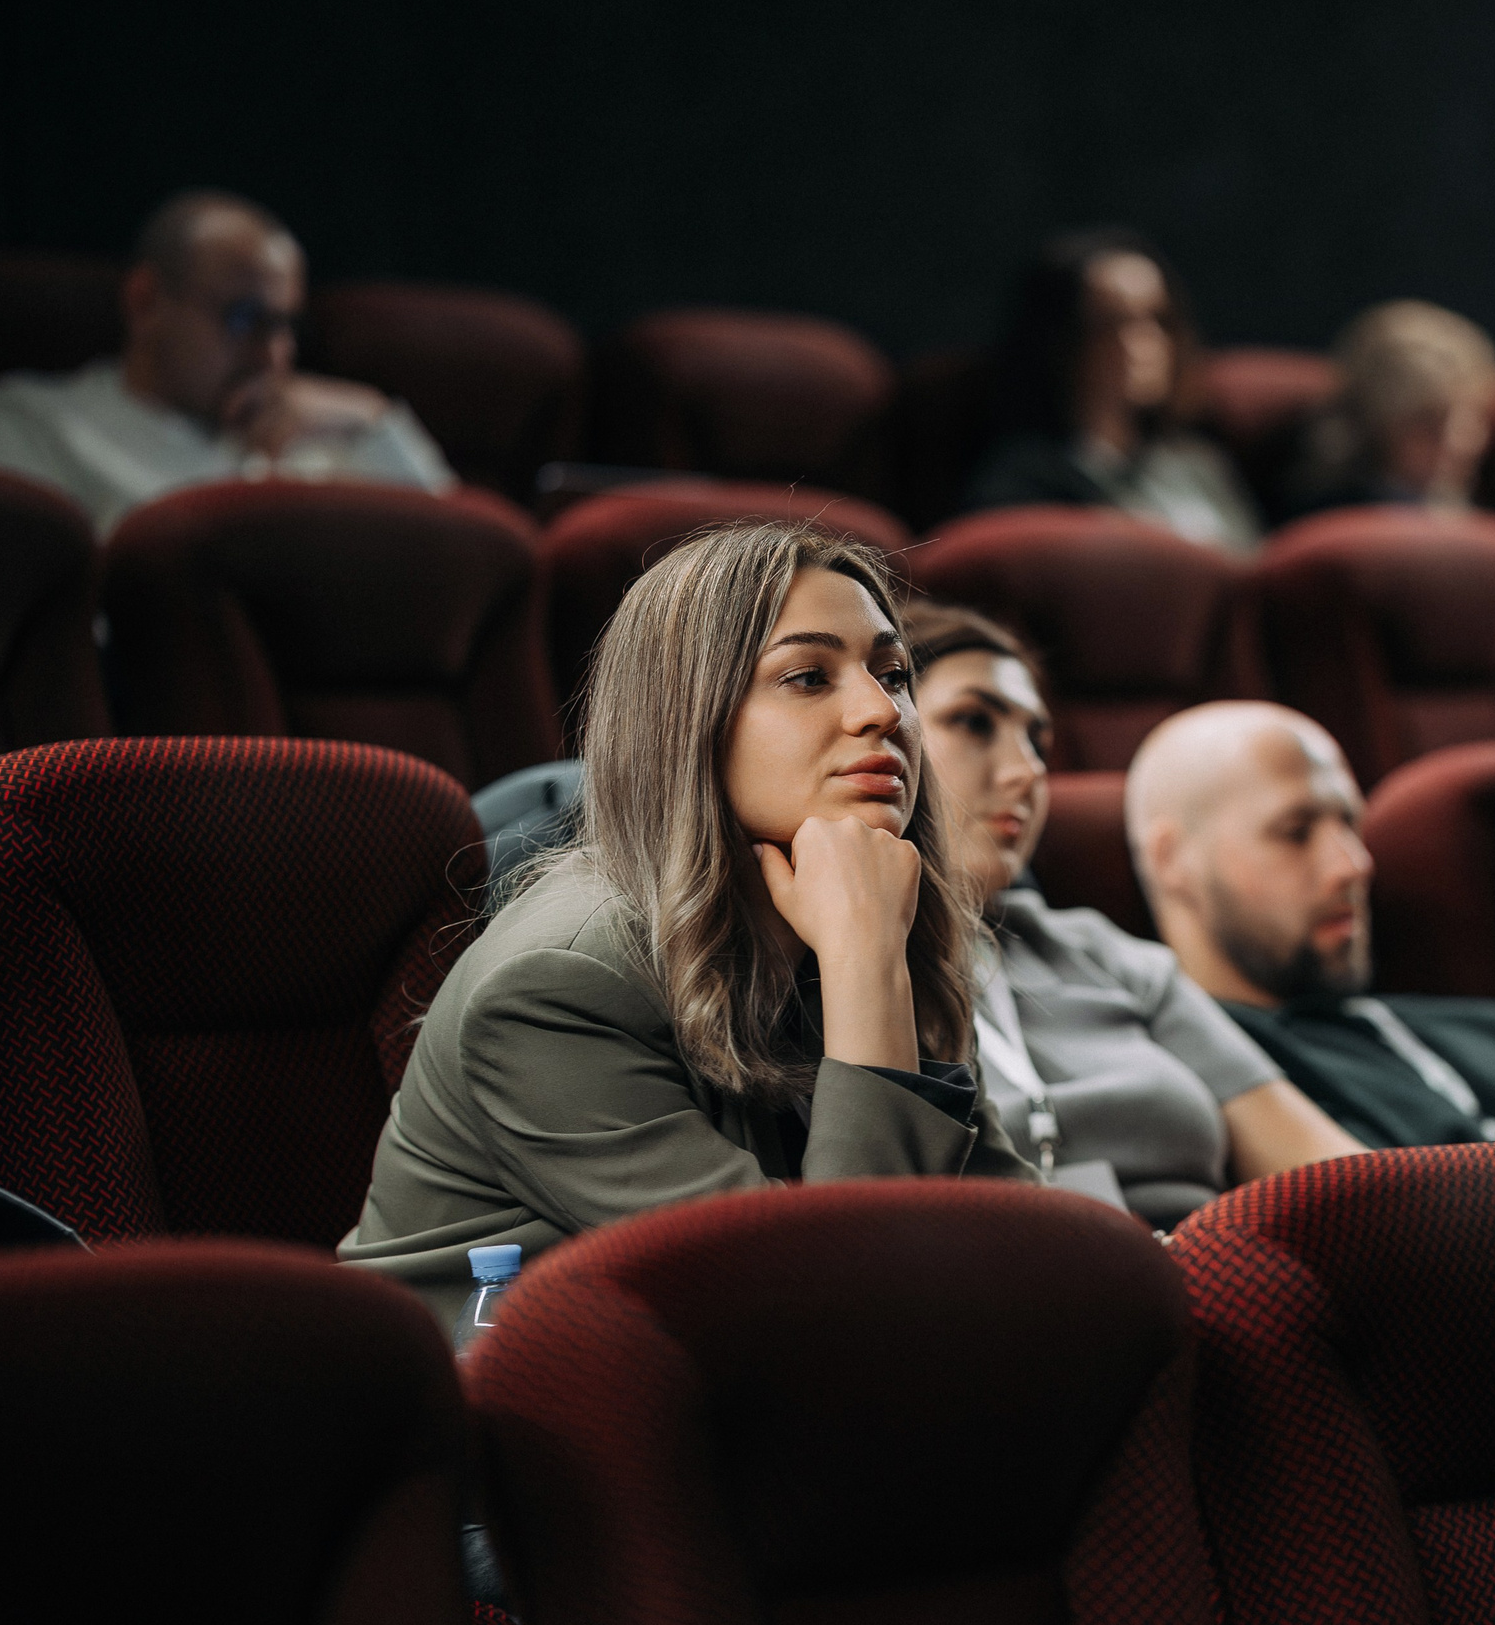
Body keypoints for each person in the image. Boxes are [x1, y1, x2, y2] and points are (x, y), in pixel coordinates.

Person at [342, 524, 1031, 1326]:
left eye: (894, 673)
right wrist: (865, 963)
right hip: (507, 1420)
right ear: (687, 719)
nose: (881, 712)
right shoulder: (557, 982)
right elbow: (833, 1309)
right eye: (808, 676)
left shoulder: (859, 919)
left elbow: (1013, 1223)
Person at [907, 603, 1362, 1226]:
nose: (1027, 772)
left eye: (1037, 740)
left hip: (1214, 1275)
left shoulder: (1105, 953)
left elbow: (1326, 1170)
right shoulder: (836, 973)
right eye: (974, 722)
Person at [1125, 699, 1495, 1157]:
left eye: (1349, 822)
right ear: (1172, 860)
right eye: (1295, 833)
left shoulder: (1494, 1029)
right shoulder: (1218, 1088)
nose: (1354, 863)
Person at [0, 189, 453, 534]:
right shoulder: (30, 423)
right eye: (245, 317)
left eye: (286, 326)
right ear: (145, 302)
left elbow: (455, 563)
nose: (273, 353)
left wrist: (373, 417)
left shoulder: (323, 435)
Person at [963, 227, 1262, 553]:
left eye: (1157, 319)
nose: (1144, 344)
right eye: (1113, 322)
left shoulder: (1199, 466)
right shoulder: (1023, 481)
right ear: (1061, 341)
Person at [1283, 300, 1495, 519]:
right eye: (1428, 424)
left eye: (1473, 418)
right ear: (1375, 427)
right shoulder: (1329, 518)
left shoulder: (1481, 510)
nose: (1461, 442)